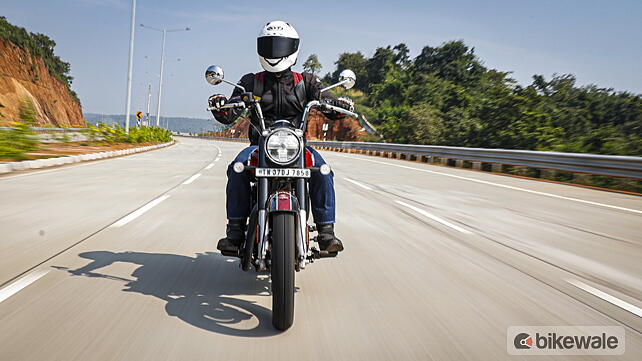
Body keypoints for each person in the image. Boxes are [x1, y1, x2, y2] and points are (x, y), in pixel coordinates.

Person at [209, 21, 353, 254]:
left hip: (297, 147)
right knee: (236, 168)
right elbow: (230, 114)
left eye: (280, 45)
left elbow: (326, 102)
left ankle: (326, 232)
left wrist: (339, 105)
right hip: (259, 147)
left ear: (293, 48)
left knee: (323, 170)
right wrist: (221, 105)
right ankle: (234, 232)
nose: (275, 51)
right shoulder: (250, 82)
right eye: (269, 45)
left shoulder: (307, 81)